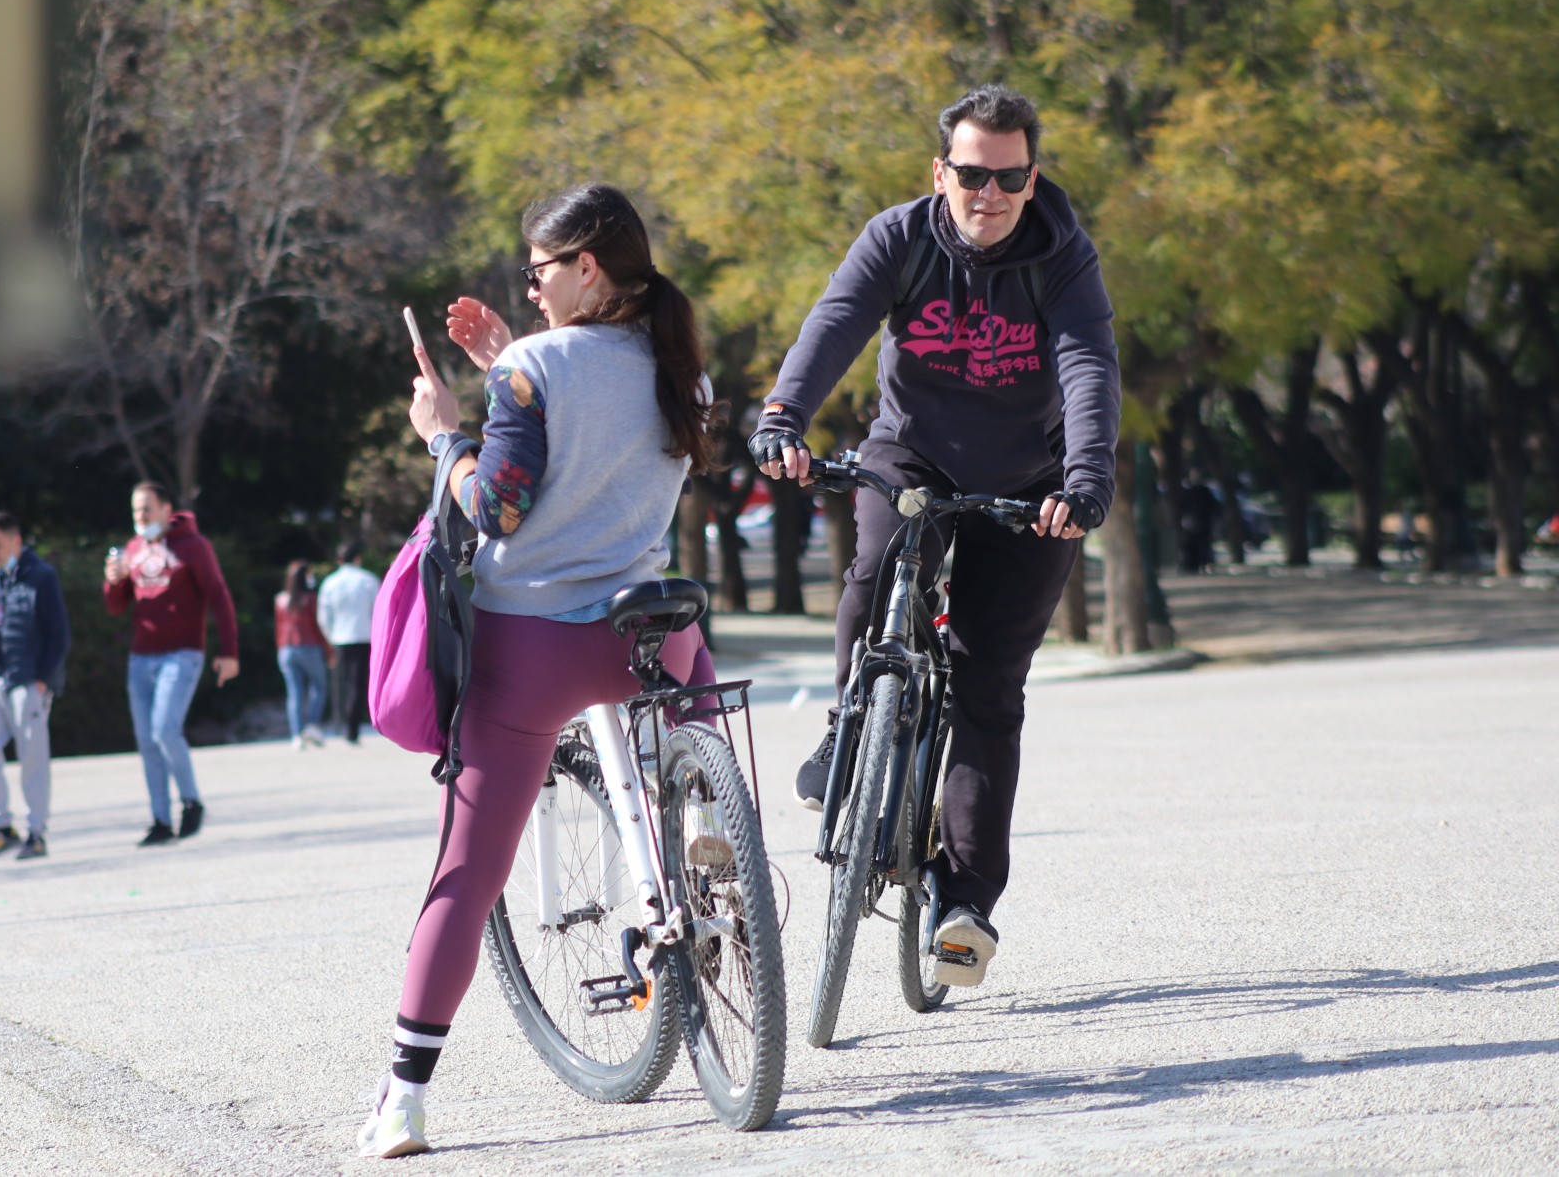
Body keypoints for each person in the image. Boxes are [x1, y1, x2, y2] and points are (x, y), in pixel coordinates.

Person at [354, 184, 721, 1159]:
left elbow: (496, 512)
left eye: (539, 269)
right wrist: (507, 364)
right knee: (697, 694)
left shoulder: (533, 366)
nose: (531, 284)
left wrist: (443, 431)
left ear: (586, 267)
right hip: (647, 627)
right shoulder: (682, 368)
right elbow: (595, 440)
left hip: (535, 647)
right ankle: (702, 823)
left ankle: (402, 1097)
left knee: (466, 871)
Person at [750, 84, 1120, 990]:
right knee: (874, 567)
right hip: (911, 454)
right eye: (970, 174)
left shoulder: (1062, 258)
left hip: (1030, 484)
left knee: (990, 687)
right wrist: (783, 416)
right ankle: (850, 725)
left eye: (1008, 176)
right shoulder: (900, 237)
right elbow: (835, 323)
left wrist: (1085, 476)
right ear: (939, 172)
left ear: (1031, 179)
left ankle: (964, 904)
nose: (987, 193)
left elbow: (1086, 363)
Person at [104, 481, 241, 847]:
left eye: (147, 508)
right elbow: (117, 607)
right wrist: (112, 582)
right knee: (147, 740)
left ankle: (191, 801)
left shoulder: (193, 546)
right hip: (141, 657)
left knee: (165, 729)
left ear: (167, 509)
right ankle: (160, 820)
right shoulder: (133, 549)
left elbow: (219, 595)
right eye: (136, 510)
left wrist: (229, 651)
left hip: (182, 653)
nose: (141, 516)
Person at [0, 511, 71, 861]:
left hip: (28, 680)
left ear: (16, 542)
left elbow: (59, 635)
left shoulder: (42, 577)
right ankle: (0, 827)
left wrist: (42, 680)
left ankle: (36, 833)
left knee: (32, 756)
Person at [316, 541, 380, 744]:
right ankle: (352, 728)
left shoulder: (329, 583)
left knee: (340, 683)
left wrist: (330, 637)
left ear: (338, 560)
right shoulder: (368, 580)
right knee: (358, 684)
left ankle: (340, 724)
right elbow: (378, 611)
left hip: (339, 638)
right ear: (358, 558)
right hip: (364, 637)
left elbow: (323, 617)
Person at [275, 562, 332, 750]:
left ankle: (296, 735)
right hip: (309, 647)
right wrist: (329, 651)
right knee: (319, 687)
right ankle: (312, 725)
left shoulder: (280, 599)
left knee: (295, 693)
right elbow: (317, 628)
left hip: (286, 649)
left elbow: (278, 629)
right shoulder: (310, 599)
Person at [1178, 474, 1218, 573]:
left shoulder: (1190, 492)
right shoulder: (1205, 491)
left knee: (1195, 545)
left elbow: (1183, 507)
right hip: (1203, 524)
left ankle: (1195, 565)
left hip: (1194, 524)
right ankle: (1203, 564)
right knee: (1203, 545)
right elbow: (1214, 506)